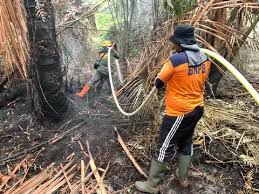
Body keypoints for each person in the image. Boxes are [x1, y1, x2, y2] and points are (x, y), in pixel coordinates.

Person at [135, 24, 211, 194]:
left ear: (180, 43)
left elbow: (158, 83)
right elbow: (201, 78)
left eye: (174, 43)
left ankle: (152, 185)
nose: (173, 45)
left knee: (165, 146)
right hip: (197, 108)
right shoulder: (205, 57)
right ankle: (182, 179)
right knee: (186, 142)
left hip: (179, 113)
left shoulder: (175, 61)